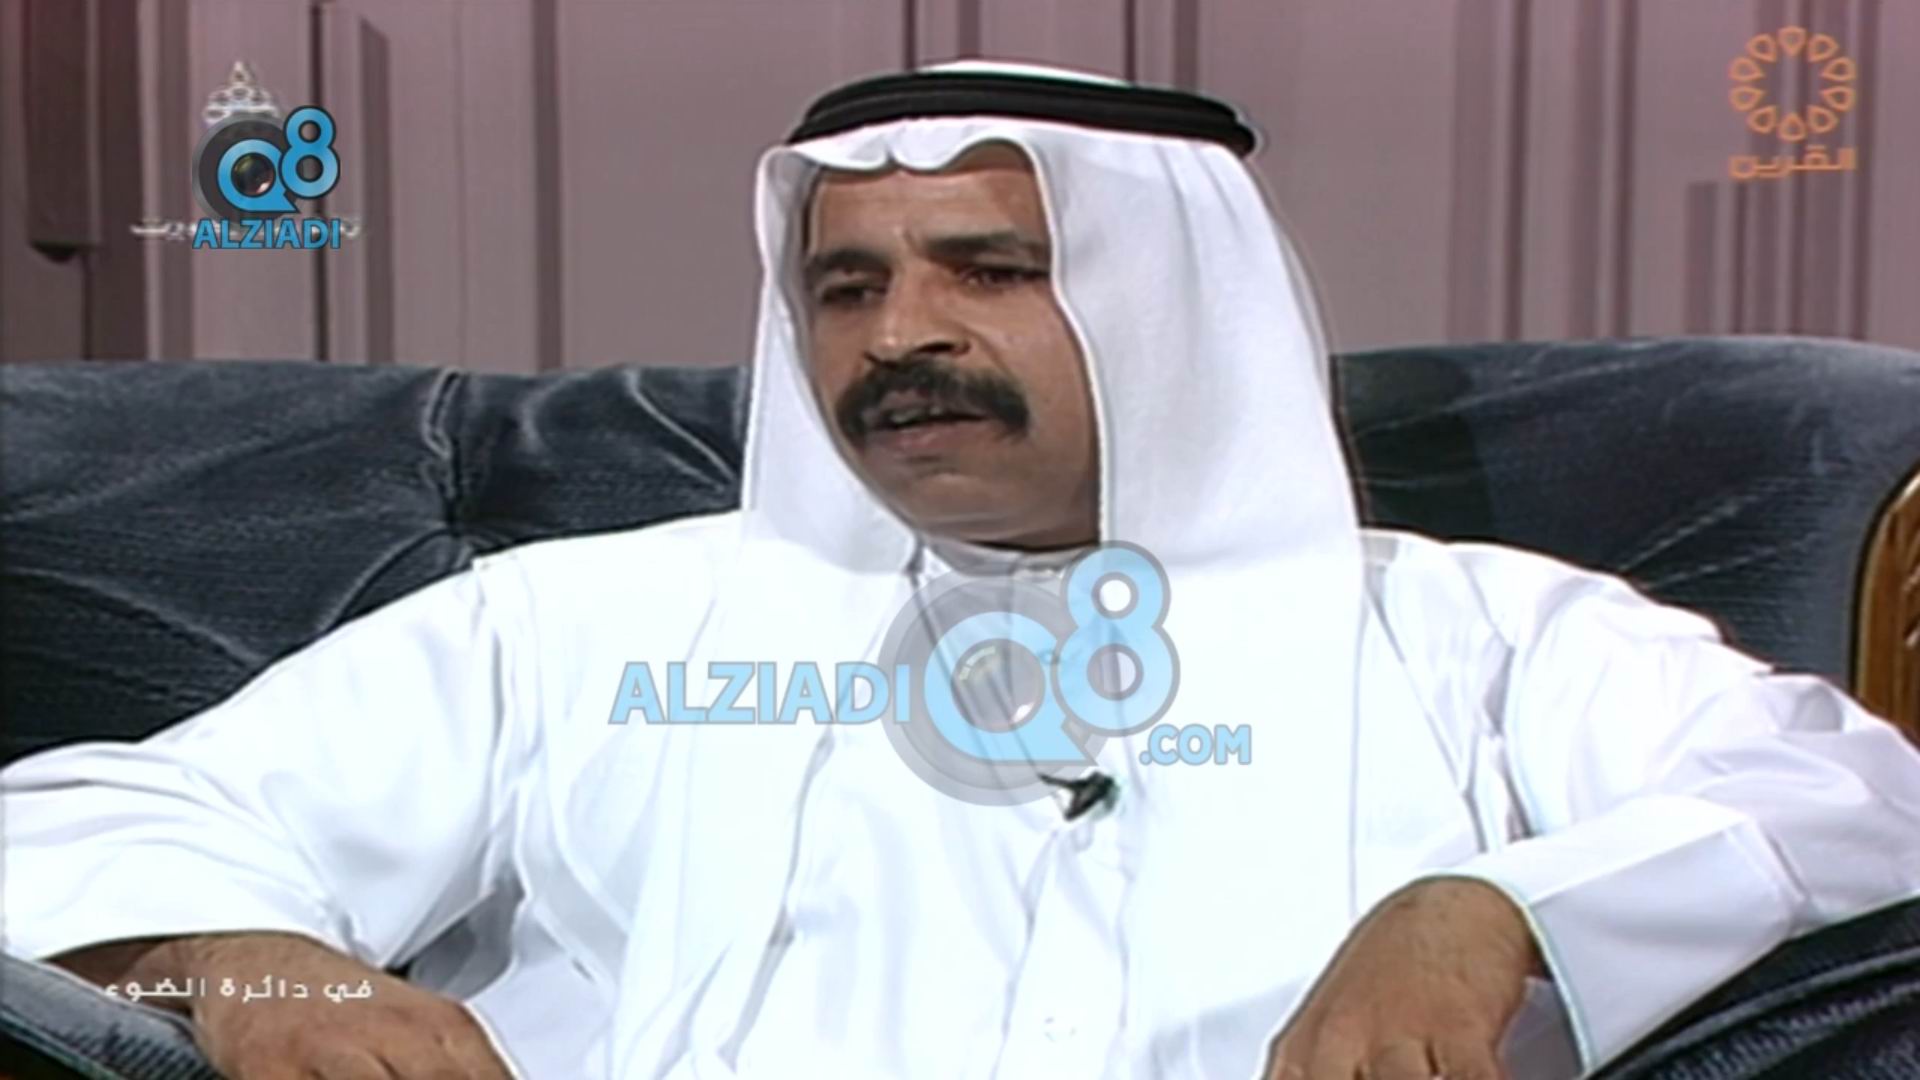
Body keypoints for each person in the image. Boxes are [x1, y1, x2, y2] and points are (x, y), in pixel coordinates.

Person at [6, 60, 1920, 1080]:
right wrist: (257, 968)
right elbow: (94, 812)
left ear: (1170, 306)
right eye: (845, 287)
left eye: (990, 272)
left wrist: (1486, 908)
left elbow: (1849, 796)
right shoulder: (594, 624)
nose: (896, 335)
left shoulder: (1472, 630)